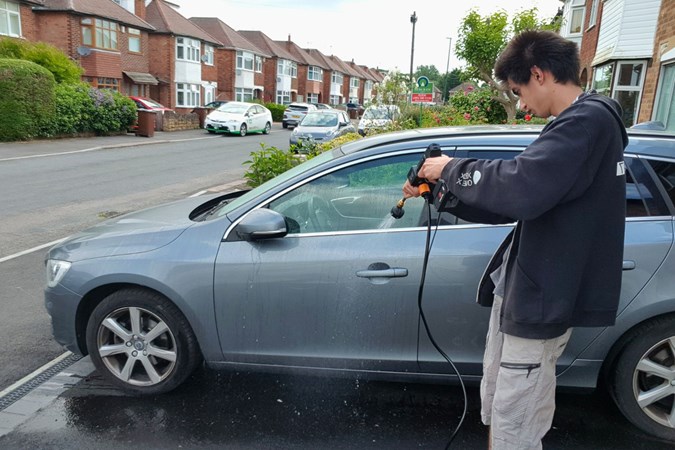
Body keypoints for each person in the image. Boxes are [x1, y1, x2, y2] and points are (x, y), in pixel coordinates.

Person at [402, 30, 628, 449]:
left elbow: (521, 185)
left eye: (518, 90)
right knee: (507, 405)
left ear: (539, 74)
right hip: (530, 294)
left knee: (515, 421)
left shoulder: (587, 121)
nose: (521, 104)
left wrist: (450, 168)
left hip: (541, 297)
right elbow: (520, 202)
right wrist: (445, 194)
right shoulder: (581, 124)